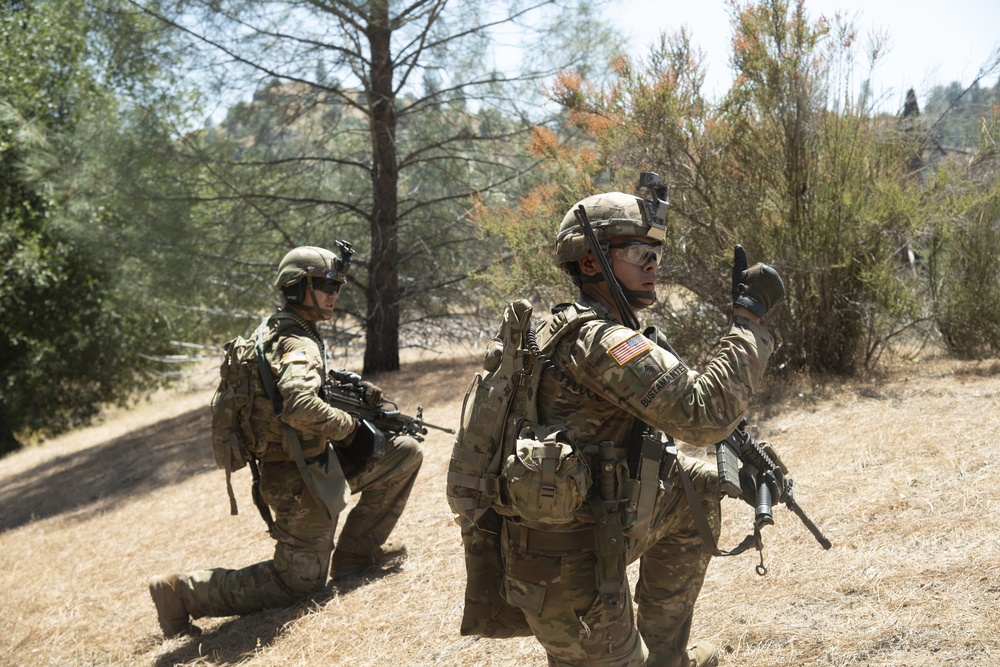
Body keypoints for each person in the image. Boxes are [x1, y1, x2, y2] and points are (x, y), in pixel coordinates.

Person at [500, 191, 784, 666]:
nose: (653, 265)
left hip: (598, 527)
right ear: (590, 263)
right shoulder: (603, 342)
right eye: (638, 254)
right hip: (570, 573)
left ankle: (666, 656)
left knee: (697, 496)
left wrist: (728, 475)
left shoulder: (585, 329)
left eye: (656, 254)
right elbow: (704, 413)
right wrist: (748, 319)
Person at [149, 244, 423, 638]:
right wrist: (349, 429)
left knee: (402, 452)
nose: (334, 294)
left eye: (338, 286)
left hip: (309, 461)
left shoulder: (278, 327)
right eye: (326, 285)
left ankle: (353, 558)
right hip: (296, 478)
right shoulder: (298, 341)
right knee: (298, 584)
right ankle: (181, 594)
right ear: (298, 288)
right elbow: (299, 405)